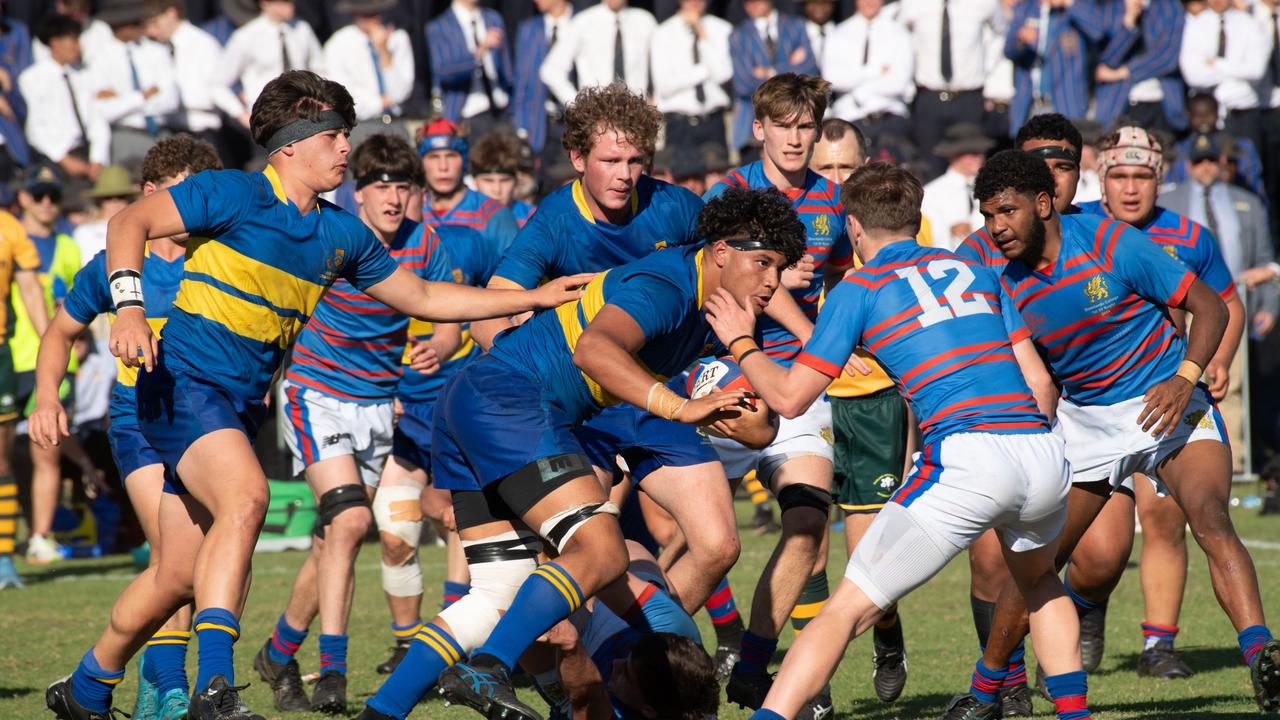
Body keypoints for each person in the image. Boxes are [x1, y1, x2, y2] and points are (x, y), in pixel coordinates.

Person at [43, 69, 589, 720]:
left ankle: (86, 686)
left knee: (178, 575)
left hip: (235, 407)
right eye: (334, 136)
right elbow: (130, 220)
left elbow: (420, 297)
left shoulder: (342, 234)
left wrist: (528, 295)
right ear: (289, 147)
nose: (344, 151)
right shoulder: (231, 193)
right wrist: (129, 309)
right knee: (248, 497)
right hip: (181, 387)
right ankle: (213, 688)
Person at [702, 161, 1086, 720]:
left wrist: (740, 340)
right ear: (918, 218)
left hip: (971, 455)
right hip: (1042, 451)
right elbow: (1040, 382)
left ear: (853, 228)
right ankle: (1076, 712)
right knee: (1041, 583)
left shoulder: (859, 286)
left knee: (845, 610)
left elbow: (788, 399)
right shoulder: (976, 271)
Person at [432, 185, 805, 720]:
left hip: (585, 404)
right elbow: (593, 350)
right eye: (764, 263)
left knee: (708, 545)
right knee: (602, 555)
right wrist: (680, 407)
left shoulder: (718, 297)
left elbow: (762, 429)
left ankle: (407, 701)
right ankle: (531, 669)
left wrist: (740, 349)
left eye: (782, 268)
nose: (773, 282)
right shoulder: (663, 281)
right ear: (721, 252)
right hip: (532, 401)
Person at [948, 148, 1280, 717]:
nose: (997, 227)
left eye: (1007, 212)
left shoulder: (1109, 243)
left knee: (1211, 517)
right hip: (1088, 423)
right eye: (988, 216)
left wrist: (1185, 378)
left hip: (1168, 403)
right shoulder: (995, 269)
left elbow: (1210, 308)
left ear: (1045, 202)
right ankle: (985, 692)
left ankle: (1263, 659)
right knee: (1037, 563)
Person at [250, 133, 457, 714]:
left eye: (402, 187)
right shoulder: (331, 233)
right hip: (316, 392)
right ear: (357, 192)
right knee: (351, 524)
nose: (392, 199)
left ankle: (279, 650)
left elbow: (443, 315)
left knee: (332, 537)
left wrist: (439, 346)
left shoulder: (424, 243)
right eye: (379, 187)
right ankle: (334, 672)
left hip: (376, 405)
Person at [32, 133, 222, 720]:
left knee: (190, 564)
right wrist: (47, 396)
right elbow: (59, 333)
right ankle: (166, 683)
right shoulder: (119, 266)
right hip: (138, 420)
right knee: (173, 557)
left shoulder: (218, 258)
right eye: (179, 194)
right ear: (149, 194)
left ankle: (126, 677)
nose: (189, 209)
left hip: (206, 423)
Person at [1063, 126, 1244, 682]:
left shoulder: (1189, 236)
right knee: (1101, 550)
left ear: (1161, 179)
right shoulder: (1074, 227)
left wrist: (1216, 361)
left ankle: (1158, 644)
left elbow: (1226, 303)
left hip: (1164, 396)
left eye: (1143, 176)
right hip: (1090, 409)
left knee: (1165, 517)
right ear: (1101, 178)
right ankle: (1086, 609)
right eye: (1119, 175)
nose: (1131, 188)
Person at [706, 73, 851, 717]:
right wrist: (819, 335)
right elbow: (735, 283)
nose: (796, 138)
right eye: (783, 125)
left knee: (808, 519)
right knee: (691, 541)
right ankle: (643, 664)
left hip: (794, 382)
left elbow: (849, 272)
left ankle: (758, 665)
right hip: (719, 381)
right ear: (758, 128)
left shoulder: (832, 199)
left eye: (807, 126)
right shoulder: (731, 194)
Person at [807, 118, 915, 705]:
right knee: (808, 543)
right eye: (824, 168)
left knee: (868, 556)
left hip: (873, 405)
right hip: (811, 406)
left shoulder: (883, 239)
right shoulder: (798, 231)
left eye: (846, 167)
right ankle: (816, 688)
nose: (834, 178)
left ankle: (888, 636)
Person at [13, 163, 80, 565]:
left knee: (48, 451)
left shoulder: (69, 248)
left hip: (54, 363)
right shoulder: (8, 238)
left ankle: (40, 535)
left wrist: (81, 341)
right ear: (23, 197)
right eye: (39, 194)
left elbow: (74, 303)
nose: (46, 203)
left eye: (54, 196)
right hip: (13, 356)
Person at [0, 204, 51, 588]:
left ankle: (3, 560)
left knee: (2, 458)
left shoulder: (9, 227)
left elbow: (31, 289)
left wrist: (53, 345)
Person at [898, 0, 1005, 176]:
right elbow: (897, 33)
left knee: (971, 167)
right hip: (929, 97)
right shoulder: (913, 4)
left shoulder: (984, 3)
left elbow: (1001, 31)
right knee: (930, 169)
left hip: (968, 97)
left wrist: (987, 68)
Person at [141, 0, 250, 161]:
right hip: (170, 131)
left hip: (202, 132)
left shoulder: (203, 44)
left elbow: (216, 88)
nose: (151, 31)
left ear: (171, 14)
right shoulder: (156, 49)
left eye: (155, 23)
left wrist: (242, 115)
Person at [19, 14, 109, 184]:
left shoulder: (83, 75)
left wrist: (98, 159)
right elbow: (35, 129)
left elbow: (97, 118)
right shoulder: (33, 78)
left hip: (87, 155)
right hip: (55, 159)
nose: (78, 47)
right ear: (55, 42)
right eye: (72, 41)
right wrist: (63, 158)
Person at [88, 2, 179, 166]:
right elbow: (103, 111)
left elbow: (171, 101)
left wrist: (121, 100)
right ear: (120, 27)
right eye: (135, 24)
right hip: (125, 138)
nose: (142, 28)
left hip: (160, 133)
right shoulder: (100, 59)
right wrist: (142, 96)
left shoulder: (156, 51)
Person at [727, 0, 817, 160]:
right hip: (751, 127)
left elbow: (809, 71)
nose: (751, 4)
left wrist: (768, 71)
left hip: (796, 120)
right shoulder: (738, 35)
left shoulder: (796, 26)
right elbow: (743, 84)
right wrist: (790, 67)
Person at [416, 118, 519, 258]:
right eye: (434, 157)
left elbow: (513, 273)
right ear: (421, 163)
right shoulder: (412, 211)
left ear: (464, 161)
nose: (443, 167)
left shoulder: (493, 214)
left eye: (451, 156)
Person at [1179, 0, 1269, 153]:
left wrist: (1216, 64)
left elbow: (1256, 70)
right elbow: (1193, 75)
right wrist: (1237, 70)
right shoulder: (1194, 25)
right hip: (1206, 114)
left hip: (1243, 112)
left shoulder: (1250, 24)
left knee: (1247, 164)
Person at [823, 0, 913, 149]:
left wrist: (860, 90)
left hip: (890, 116)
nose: (869, 2)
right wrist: (875, 71)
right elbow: (832, 78)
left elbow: (899, 82)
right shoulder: (838, 33)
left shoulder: (899, 33)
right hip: (849, 116)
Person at [1003, 0, 1101, 137]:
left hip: (1065, 104)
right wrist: (1020, 39)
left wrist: (1068, 3)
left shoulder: (1074, 9)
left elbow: (1098, 30)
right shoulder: (1025, 9)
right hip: (1030, 104)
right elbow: (1008, 50)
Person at [322, 0, 413, 145]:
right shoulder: (338, 44)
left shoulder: (398, 37)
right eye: (366, 15)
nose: (373, 19)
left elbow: (401, 91)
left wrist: (383, 51)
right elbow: (342, 95)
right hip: (361, 126)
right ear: (355, 14)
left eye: (375, 13)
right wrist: (380, 102)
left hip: (396, 122)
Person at [650, 0, 733, 159]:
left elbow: (724, 74)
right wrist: (701, 72)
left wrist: (701, 32)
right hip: (679, 123)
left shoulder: (722, 28)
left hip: (714, 120)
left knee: (717, 180)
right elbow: (664, 86)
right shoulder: (663, 32)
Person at [539, 0, 657, 111]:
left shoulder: (645, 21)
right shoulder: (584, 21)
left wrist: (655, 101)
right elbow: (551, 70)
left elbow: (659, 68)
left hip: (635, 115)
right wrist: (578, 106)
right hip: (597, 116)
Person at [1092, 0, 1186, 133]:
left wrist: (1123, 73)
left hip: (1160, 104)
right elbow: (1105, 63)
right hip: (1119, 106)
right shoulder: (1112, 7)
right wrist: (1129, 23)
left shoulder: (1169, 6)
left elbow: (1167, 58)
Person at [220, 0, 324, 116]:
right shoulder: (247, 36)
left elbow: (320, 69)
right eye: (283, 2)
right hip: (267, 114)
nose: (290, 6)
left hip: (303, 110)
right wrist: (241, 115)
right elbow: (218, 84)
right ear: (265, 3)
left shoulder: (302, 29)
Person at [426, 0, 512, 137]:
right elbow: (443, 72)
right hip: (467, 114)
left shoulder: (493, 19)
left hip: (502, 110)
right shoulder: (439, 26)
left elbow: (508, 68)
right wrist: (480, 51)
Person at [921, 122, 992, 250]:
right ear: (954, 155)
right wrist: (948, 231)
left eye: (980, 152)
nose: (979, 158)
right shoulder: (931, 193)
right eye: (972, 153)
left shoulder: (992, 187)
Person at [468, 131, 537, 227]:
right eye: (488, 180)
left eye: (505, 180)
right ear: (474, 181)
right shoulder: (459, 219)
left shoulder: (535, 220)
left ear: (516, 180)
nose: (497, 190)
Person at [72, 166, 138, 264]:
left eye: (121, 197)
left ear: (129, 200)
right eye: (108, 197)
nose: (115, 202)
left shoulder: (138, 230)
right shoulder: (84, 233)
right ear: (99, 201)